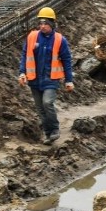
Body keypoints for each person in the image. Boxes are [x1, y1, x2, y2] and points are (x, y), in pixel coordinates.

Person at [18, 7, 74, 145]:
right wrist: (22, 72)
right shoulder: (32, 37)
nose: (42, 26)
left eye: (45, 23)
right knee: (40, 109)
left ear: (52, 24)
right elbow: (25, 55)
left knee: (47, 103)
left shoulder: (60, 40)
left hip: (51, 79)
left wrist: (69, 80)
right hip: (34, 79)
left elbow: (66, 60)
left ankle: (55, 129)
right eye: (40, 23)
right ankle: (47, 134)